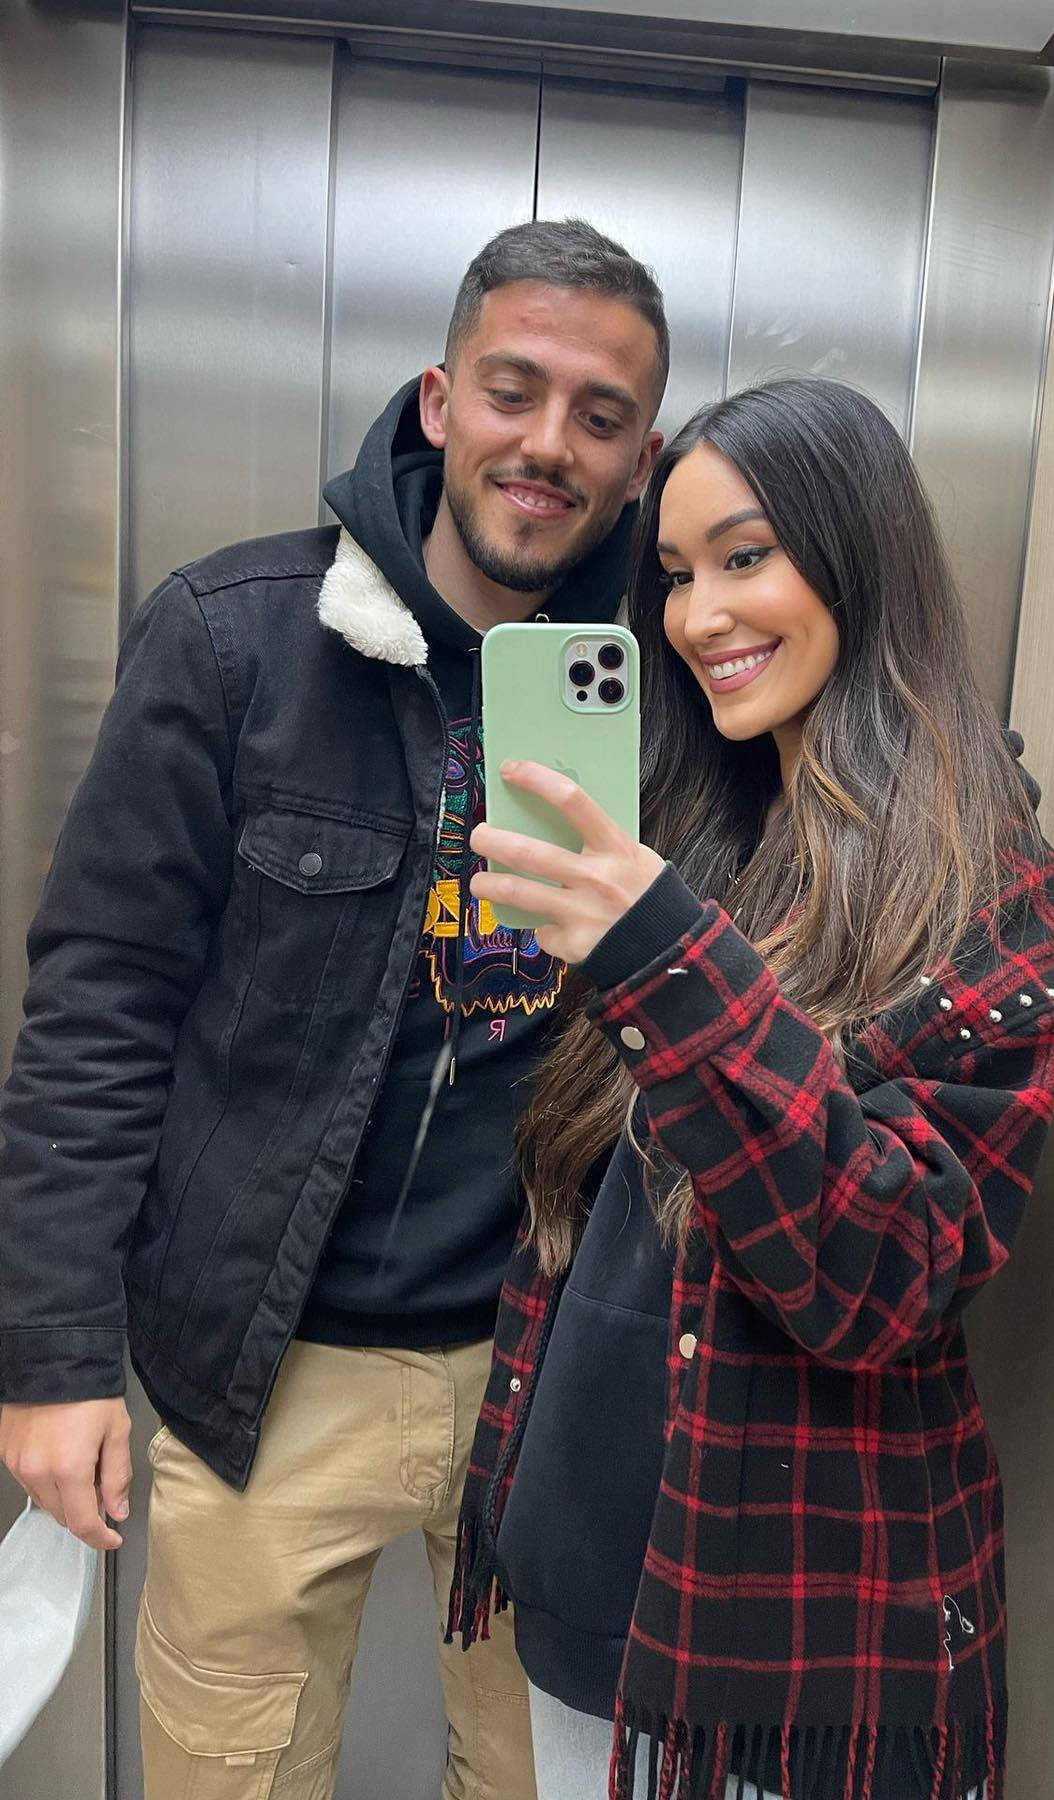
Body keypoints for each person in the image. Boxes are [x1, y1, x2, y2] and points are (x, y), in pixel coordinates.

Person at [0, 217, 668, 1799]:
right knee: (230, 1774)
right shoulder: (234, 639)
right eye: (517, 389)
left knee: (543, 1782)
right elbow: (100, 1005)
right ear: (439, 399)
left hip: (550, 1370)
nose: (549, 445)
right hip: (264, 1366)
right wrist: (51, 1353)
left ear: (642, 460)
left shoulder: (673, 682)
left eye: (601, 416)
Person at [447, 378, 1054, 1800]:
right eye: (672, 575)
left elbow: (883, 1274)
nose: (696, 617)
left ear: (857, 558)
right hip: (594, 1588)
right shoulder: (710, 836)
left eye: (746, 558)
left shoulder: (983, 890)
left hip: (793, 1646)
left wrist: (662, 954)